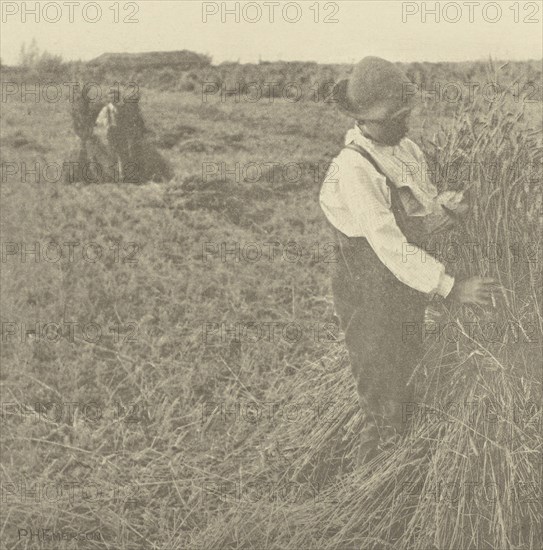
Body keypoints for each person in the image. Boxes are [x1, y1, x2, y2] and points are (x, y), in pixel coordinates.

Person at [319, 57, 498, 465]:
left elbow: (417, 208)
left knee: (407, 361)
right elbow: (389, 245)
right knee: (381, 381)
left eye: (405, 113)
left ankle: (403, 450)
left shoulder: (406, 148)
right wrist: (452, 288)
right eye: (391, 118)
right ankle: (373, 475)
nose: (402, 123)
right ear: (362, 119)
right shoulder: (353, 168)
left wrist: (445, 210)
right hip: (365, 284)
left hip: (399, 282)